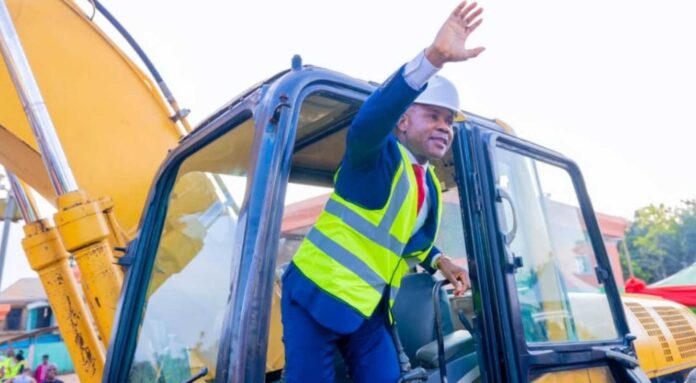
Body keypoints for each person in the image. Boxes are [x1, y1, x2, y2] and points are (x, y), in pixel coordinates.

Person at [280, 1, 485, 382]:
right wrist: (433, 59)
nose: (444, 127)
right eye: (433, 116)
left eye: (449, 121)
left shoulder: (428, 186)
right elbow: (369, 123)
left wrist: (443, 262)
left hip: (371, 309)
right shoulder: (376, 158)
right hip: (315, 295)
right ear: (403, 121)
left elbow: (410, 242)